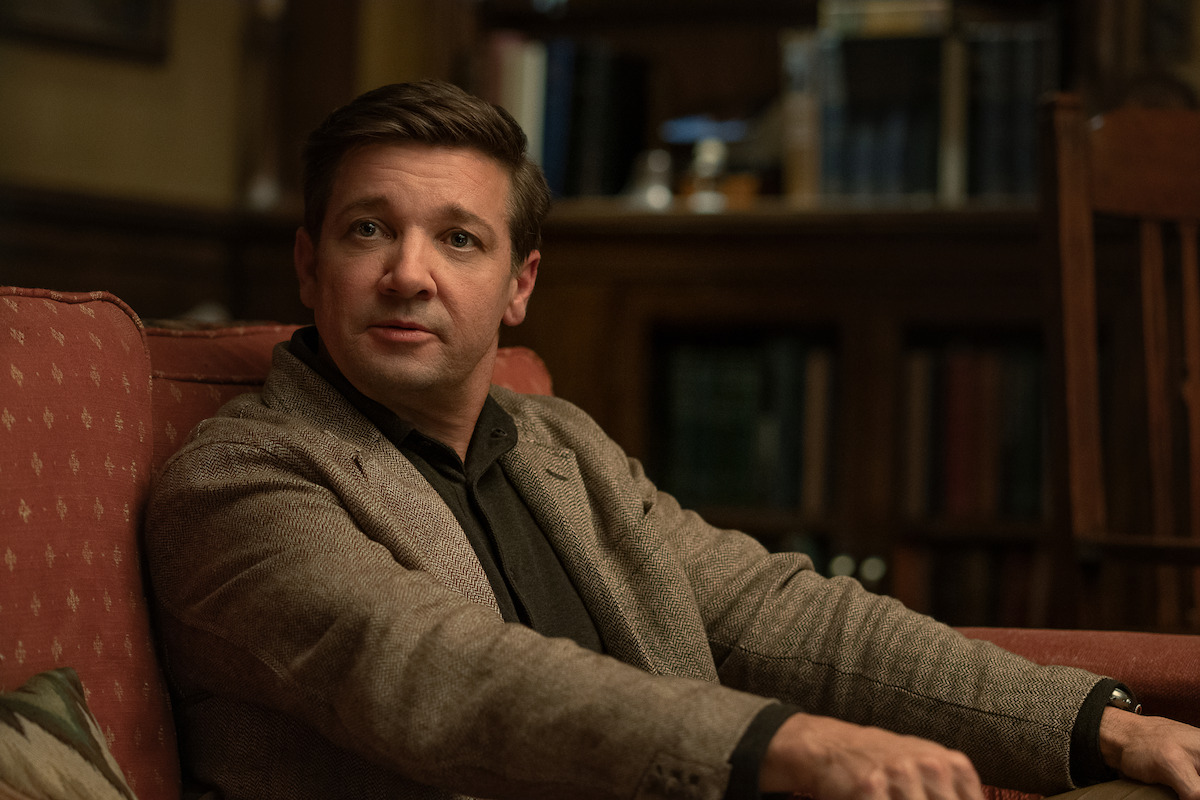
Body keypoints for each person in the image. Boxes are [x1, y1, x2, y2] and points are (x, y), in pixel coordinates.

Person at [144, 79, 1200, 800]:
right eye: (368, 228)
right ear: (307, 262)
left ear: (518, 287)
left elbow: (782, 616)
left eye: (457, 238)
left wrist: (1098, 722)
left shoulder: (559, 444)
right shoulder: (241, 480)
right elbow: (435, 670)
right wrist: (781, 742)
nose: (408, 272)